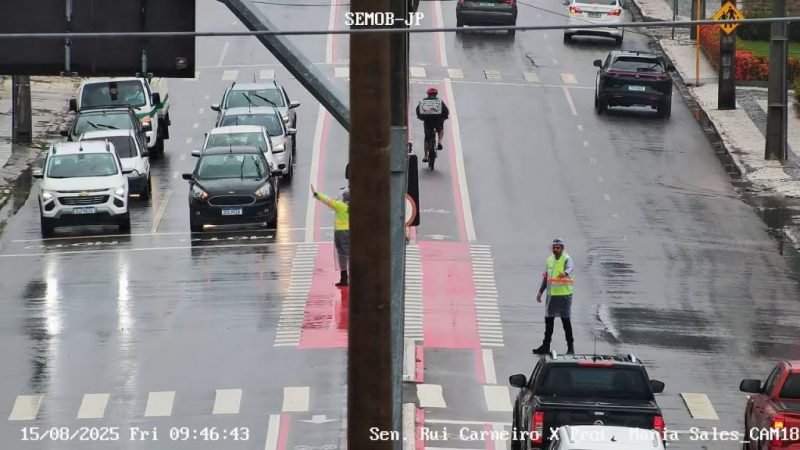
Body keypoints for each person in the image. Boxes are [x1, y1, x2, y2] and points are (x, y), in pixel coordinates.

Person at [533, 238, 575, 355]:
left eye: (558, 248)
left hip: (564, 296)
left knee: (566, 322)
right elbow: (546, 278)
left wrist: (565, 273)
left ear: (562, 248)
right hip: (551, 296)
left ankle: (570, 347)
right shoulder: (549, 260)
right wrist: (541, 291)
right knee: (548, 321)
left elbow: (570, 268)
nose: (555, 250)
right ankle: (545, 346)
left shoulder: (567, 258)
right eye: (554, 247)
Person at [311, 184, 350, 287]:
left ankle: (344, 278)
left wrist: (316, 194)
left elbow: (327, 201)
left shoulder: (340, 206)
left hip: (341, 233)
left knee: (342, 256)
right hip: (352, 232)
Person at [415, 87, 449, 163]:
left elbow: (418, 110)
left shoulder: (424, 101)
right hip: (437, 121)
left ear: (428, 94)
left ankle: (426, 156)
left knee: (427, 138)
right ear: (436, 94)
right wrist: (444, 117)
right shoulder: (439, 102)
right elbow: (446, 111)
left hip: (427, 122)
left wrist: (421, 117)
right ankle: (440, 141)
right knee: (440, 129)